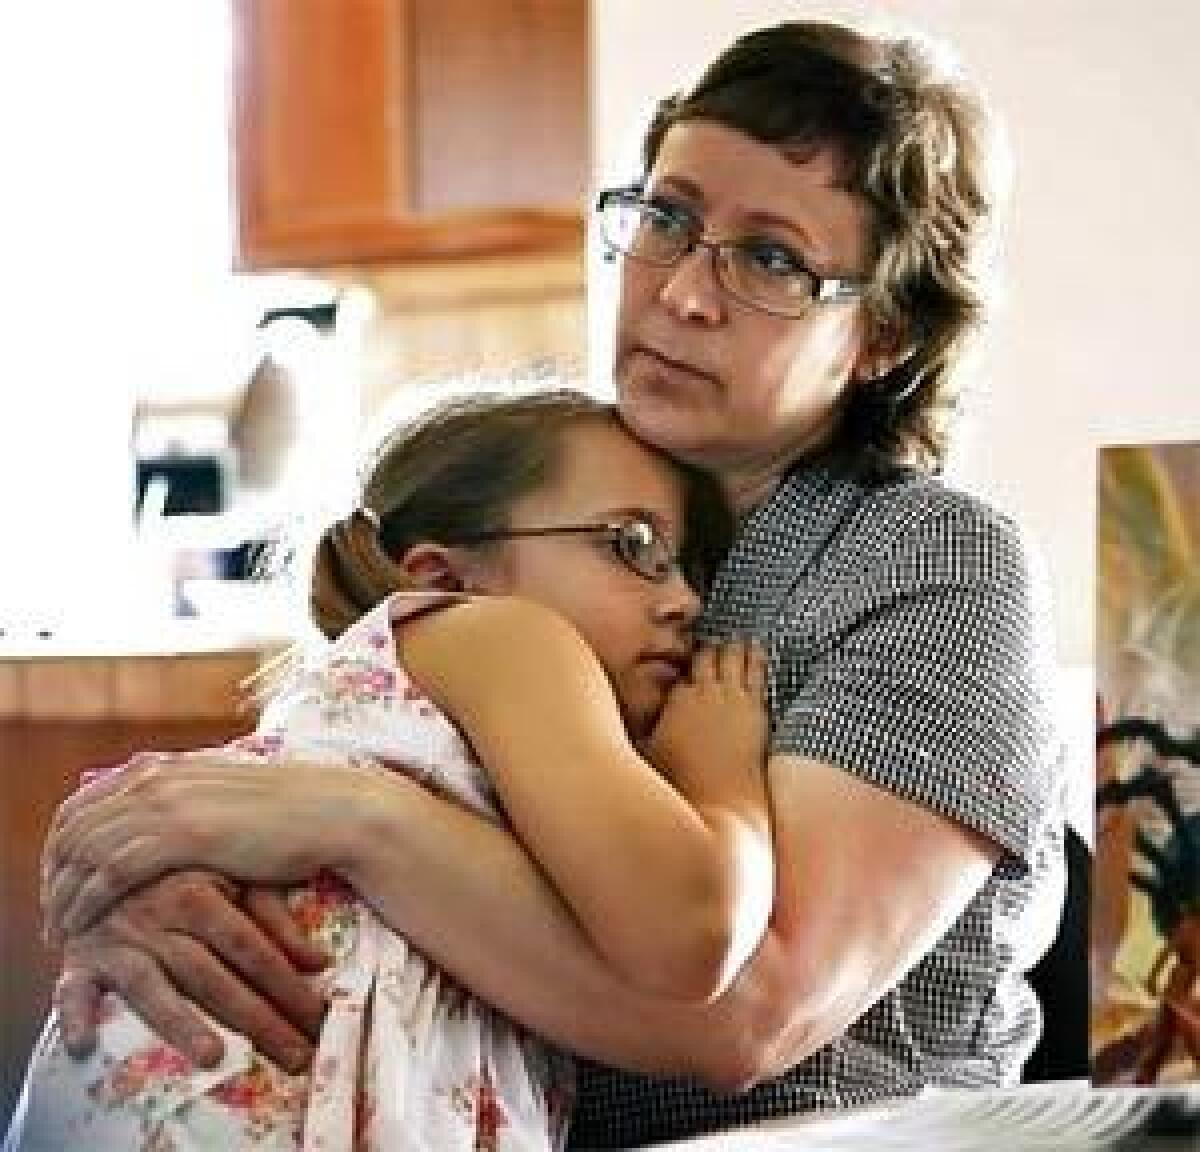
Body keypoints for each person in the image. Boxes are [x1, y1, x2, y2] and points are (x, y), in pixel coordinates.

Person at [35, 18, 1068, 1149]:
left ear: (885, 335)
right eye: (667, 219)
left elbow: (743, 1018)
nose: (681, 293)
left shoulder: (933, 562)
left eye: (771, 258)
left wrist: (351, 826)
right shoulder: (558, 504)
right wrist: (159, 889)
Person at [9, 391, 773, 1150]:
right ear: (445, 578)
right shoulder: (505, 637)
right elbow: (689, 934)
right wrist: (723, 776)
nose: (684, 600)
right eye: (631, 543)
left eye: (687, 566)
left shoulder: (394, 710)